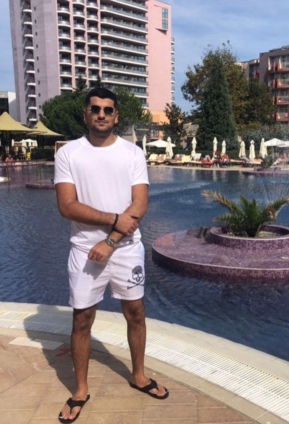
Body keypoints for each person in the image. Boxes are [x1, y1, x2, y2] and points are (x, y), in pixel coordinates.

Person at [55, 87, 168, 423]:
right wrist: (113, 219)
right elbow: (67, 206)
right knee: (82, 320)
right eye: (95, 109)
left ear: (116, 116)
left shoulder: (132, 153)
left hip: (126, 249)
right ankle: (80, 390)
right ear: (85, 114)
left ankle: (138, 376)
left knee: (136, 313)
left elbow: (139, 205)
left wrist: (111, 240)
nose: (101, 114)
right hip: (84, 250)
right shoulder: (69, 153)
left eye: (107, 110)